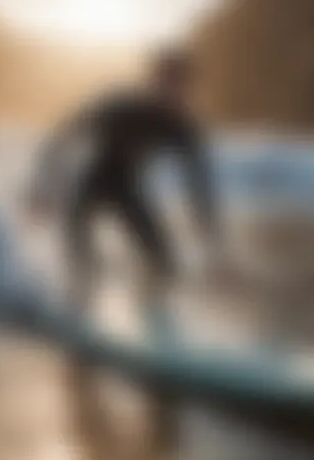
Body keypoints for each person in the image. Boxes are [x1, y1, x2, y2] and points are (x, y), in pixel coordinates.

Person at [27, 47, 219, 343]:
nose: (174, 92)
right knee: (87, 271)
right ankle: (74, 335)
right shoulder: (121, 108)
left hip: (127, 191)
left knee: (165, 265)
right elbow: (64, 134)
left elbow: (200, 187)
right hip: (90, 187)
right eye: (167, 82)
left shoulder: (182, 128)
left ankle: (149, 322)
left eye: (181, 85)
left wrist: (210, 240)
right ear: (153, 81)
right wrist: (42, 190)